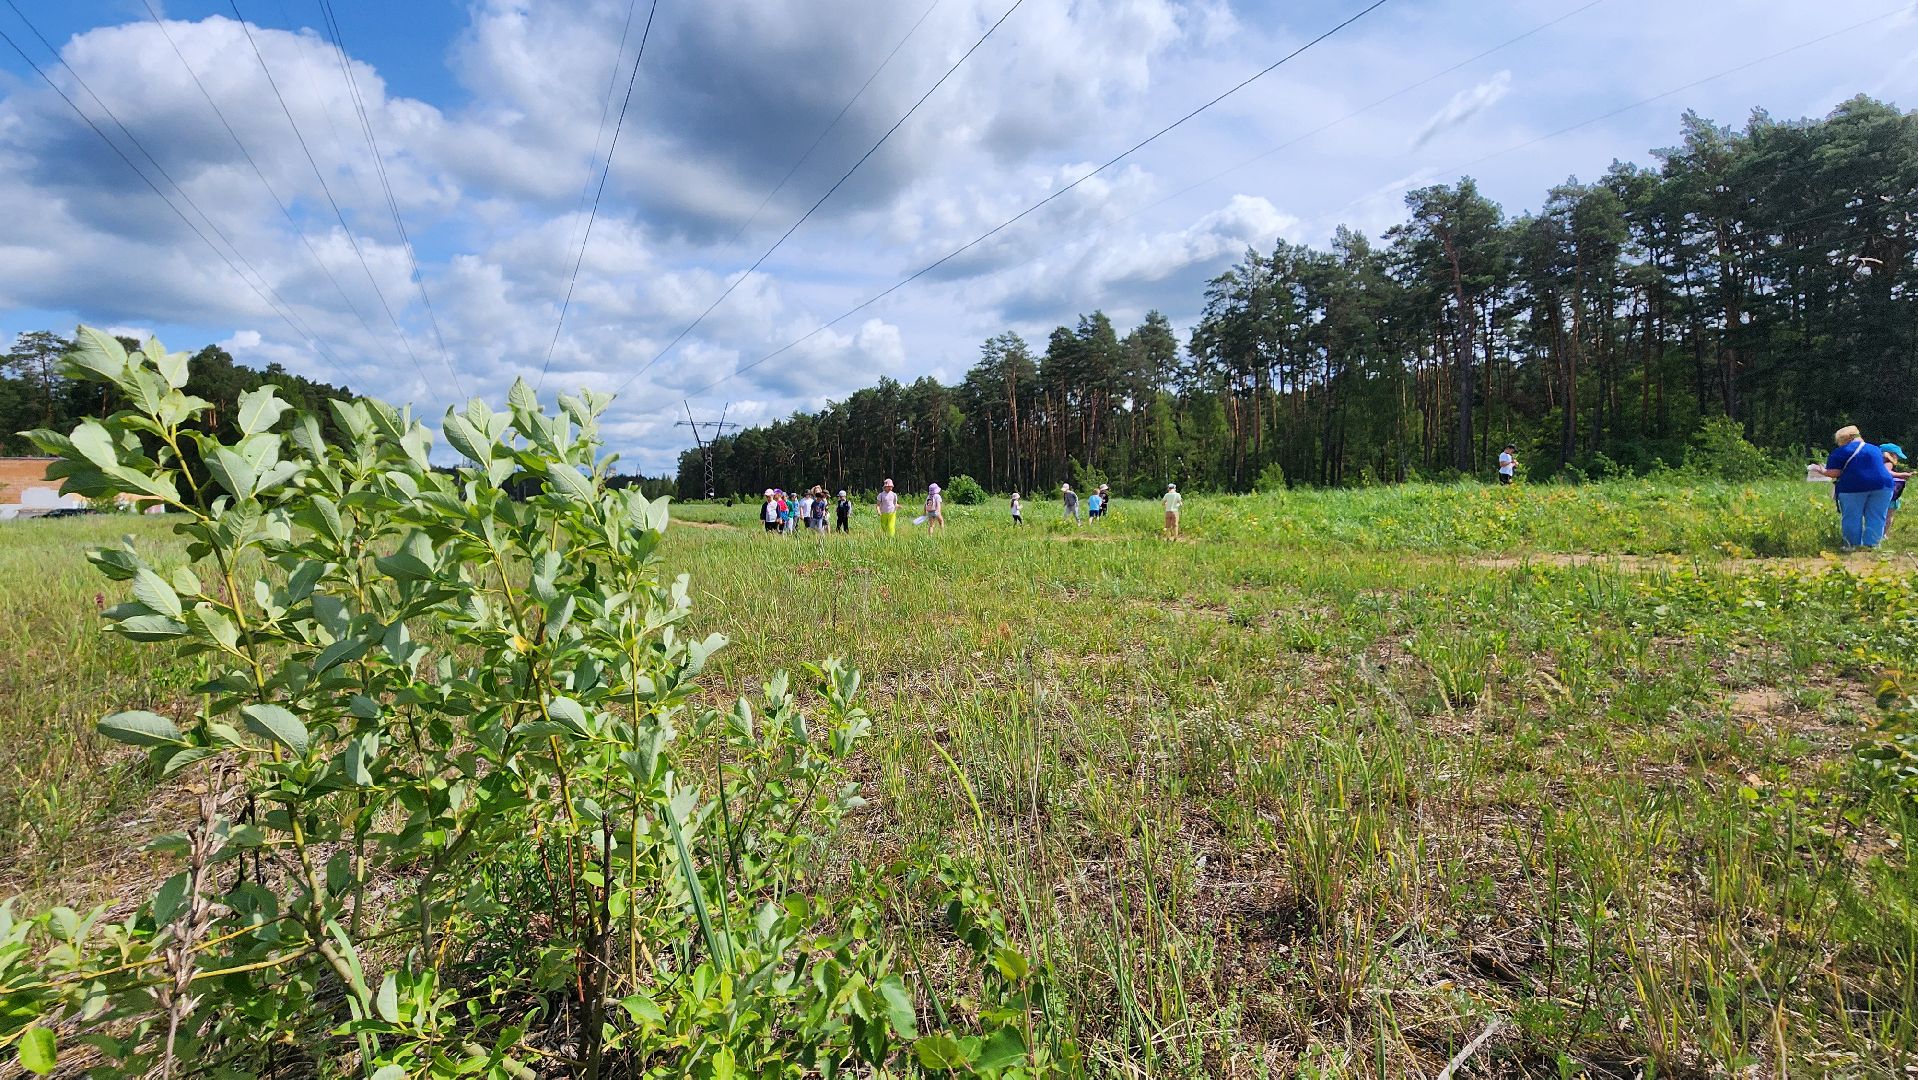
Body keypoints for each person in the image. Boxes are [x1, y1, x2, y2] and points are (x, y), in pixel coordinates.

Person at [1822, 425, 1898, 549]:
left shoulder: (1841, 451)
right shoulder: (1875, 449)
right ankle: (1872, 545)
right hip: (1883, 486)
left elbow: (1834, 472)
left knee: (1852, 516)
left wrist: (1821, 471)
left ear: (1843, 440)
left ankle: (1851, 545)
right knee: (1877, 515)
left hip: (1853, 487)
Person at [1884, 443, 1909, 535]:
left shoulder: (1877, 463)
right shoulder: (1888, 463)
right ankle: (1884, 535)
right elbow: (1887, 473)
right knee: (1889, 515)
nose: (1897, 458)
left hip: (1879, 492)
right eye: (1897, 456)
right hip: (1891, 493)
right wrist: (1901, 475)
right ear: (1891, 454)